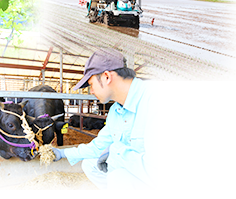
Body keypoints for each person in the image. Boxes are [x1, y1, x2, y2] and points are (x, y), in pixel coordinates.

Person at [52, 48, 158, 190]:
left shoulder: (156, 97)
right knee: (90, 164)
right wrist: (62, 153)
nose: (92, 91)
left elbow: (157, 170)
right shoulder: (115, 111)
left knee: (118, 178)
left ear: (107, 77)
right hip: (139, 172)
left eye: (91, 85)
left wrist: (115, 153)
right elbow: (98, 147)